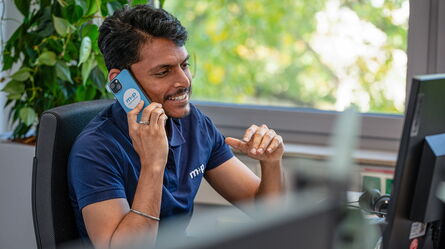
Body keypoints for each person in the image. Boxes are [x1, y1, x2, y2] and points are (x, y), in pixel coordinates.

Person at [68, 4, 284, 249]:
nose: (184, 81)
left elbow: (266, 213)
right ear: (120, 81)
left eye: (184, 65)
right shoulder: (95, 149)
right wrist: (153, 164)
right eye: (163, 72)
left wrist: (271, 162)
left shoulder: (194, 124)